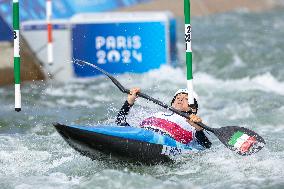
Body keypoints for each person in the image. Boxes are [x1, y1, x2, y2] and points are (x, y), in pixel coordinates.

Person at [115, 87, 211, 149]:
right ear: (172, 103)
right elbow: (120, 123)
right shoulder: (156, 115)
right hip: (142, 138)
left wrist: (199, 129)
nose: (181, 99)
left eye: (186, 99)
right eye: (178, 97)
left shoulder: (193, 125)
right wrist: (129, 103)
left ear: (193, 108)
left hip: (165, 144)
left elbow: (207, 146)